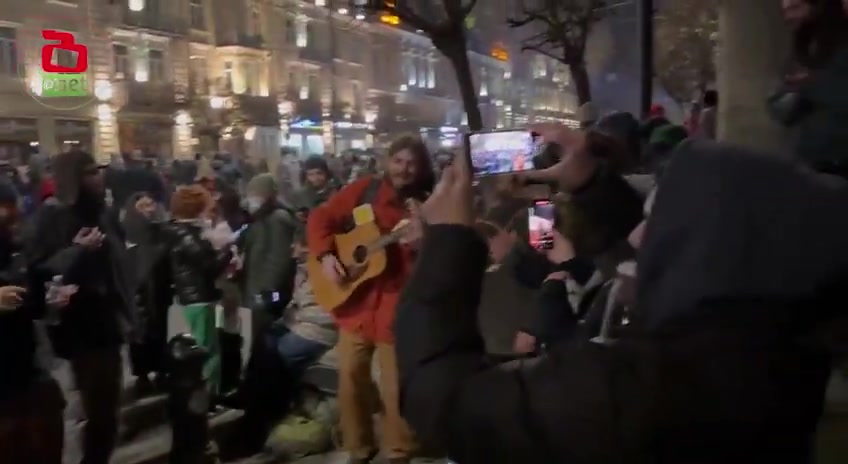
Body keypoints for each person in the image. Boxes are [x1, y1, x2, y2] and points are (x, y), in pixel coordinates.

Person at [394, 124, 847, 463]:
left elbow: (557, 258)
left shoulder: (638, 396)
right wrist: (582, 185)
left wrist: (454, 242)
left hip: (526, 337)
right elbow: (624, 243)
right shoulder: (773, 355)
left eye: (664, 215)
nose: (643, 236)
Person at [306, 135, 434, 464]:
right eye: (398, 161)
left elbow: (436, 259)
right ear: (387, 161)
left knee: (395, 386)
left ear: (420, 169)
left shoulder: (426, 204)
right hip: (358, 301)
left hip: (396, 303)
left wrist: (422, 243)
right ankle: (358, 447)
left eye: (411, 163)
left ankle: (399, 450)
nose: (403, 169)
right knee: (350, 379)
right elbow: (322, 217)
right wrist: (324, 256)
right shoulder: (366, 189)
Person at [25, 150, 135, 464]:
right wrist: (77, 251)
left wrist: (131, 314)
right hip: (75, 324)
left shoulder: (104, 212)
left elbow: (119, 267)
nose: (97, 177)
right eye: (89, 172)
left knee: (107, 407)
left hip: (107, 320)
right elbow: (38, 270)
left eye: (97, 171)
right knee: (95, 405)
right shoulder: (51, 217)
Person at [0, 180, 72, 463]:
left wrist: (50, 301)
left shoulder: (16, 247)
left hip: (26, 371)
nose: (11, 216)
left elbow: (33, 302)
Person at [161, 185, 233, 397]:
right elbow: (209, 267)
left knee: (198, 346)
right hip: (199, 298)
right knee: (207, 350)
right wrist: (228, 253)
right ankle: (208, 397)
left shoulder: (173, 230)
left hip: (188, 296)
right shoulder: (189, 236)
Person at [123, 192, 172, 396]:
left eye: (151, 204)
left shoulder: (162, 230)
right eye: (143, 206)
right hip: (138, 291)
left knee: (162, 331)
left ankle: (162, 371)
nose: (149, 209)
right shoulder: (129, 233)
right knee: (140, 336)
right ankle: (142, 376)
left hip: (160, 290)